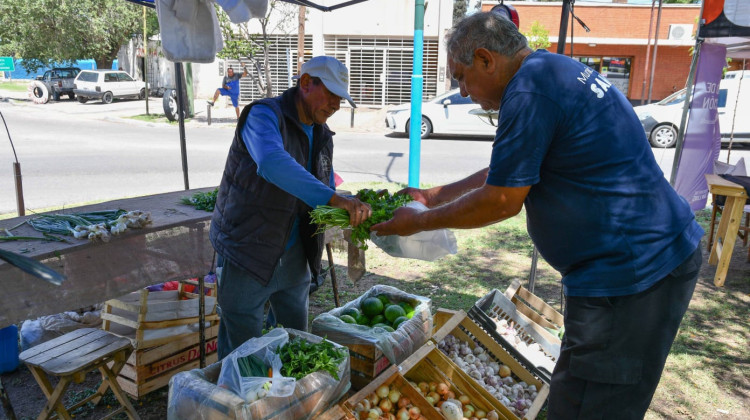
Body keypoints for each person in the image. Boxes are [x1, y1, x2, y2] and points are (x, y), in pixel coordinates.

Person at [371, 12, 703, 419]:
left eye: (461, 77)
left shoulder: (530, 91)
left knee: (590, 406)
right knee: (576, 396)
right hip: (632, 267)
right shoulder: (551, 69)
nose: (462, 91)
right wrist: (432, 196)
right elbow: (509, 170)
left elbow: (501, 200)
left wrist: (419, 221)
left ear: (485, 59)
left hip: (633, 276)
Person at [210, 56, 371, 359]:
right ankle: (232, 403)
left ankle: (285, 402)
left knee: (294, 340)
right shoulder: (263, 115)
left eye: (341, 98)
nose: (336, 104)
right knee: (241, 353)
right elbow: (272, 163)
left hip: (297, 254)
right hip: (249, 250)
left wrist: (351, 215)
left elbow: (318, 187)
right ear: (306, 83)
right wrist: (334, 200)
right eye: (331, 94)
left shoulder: (322, 133)